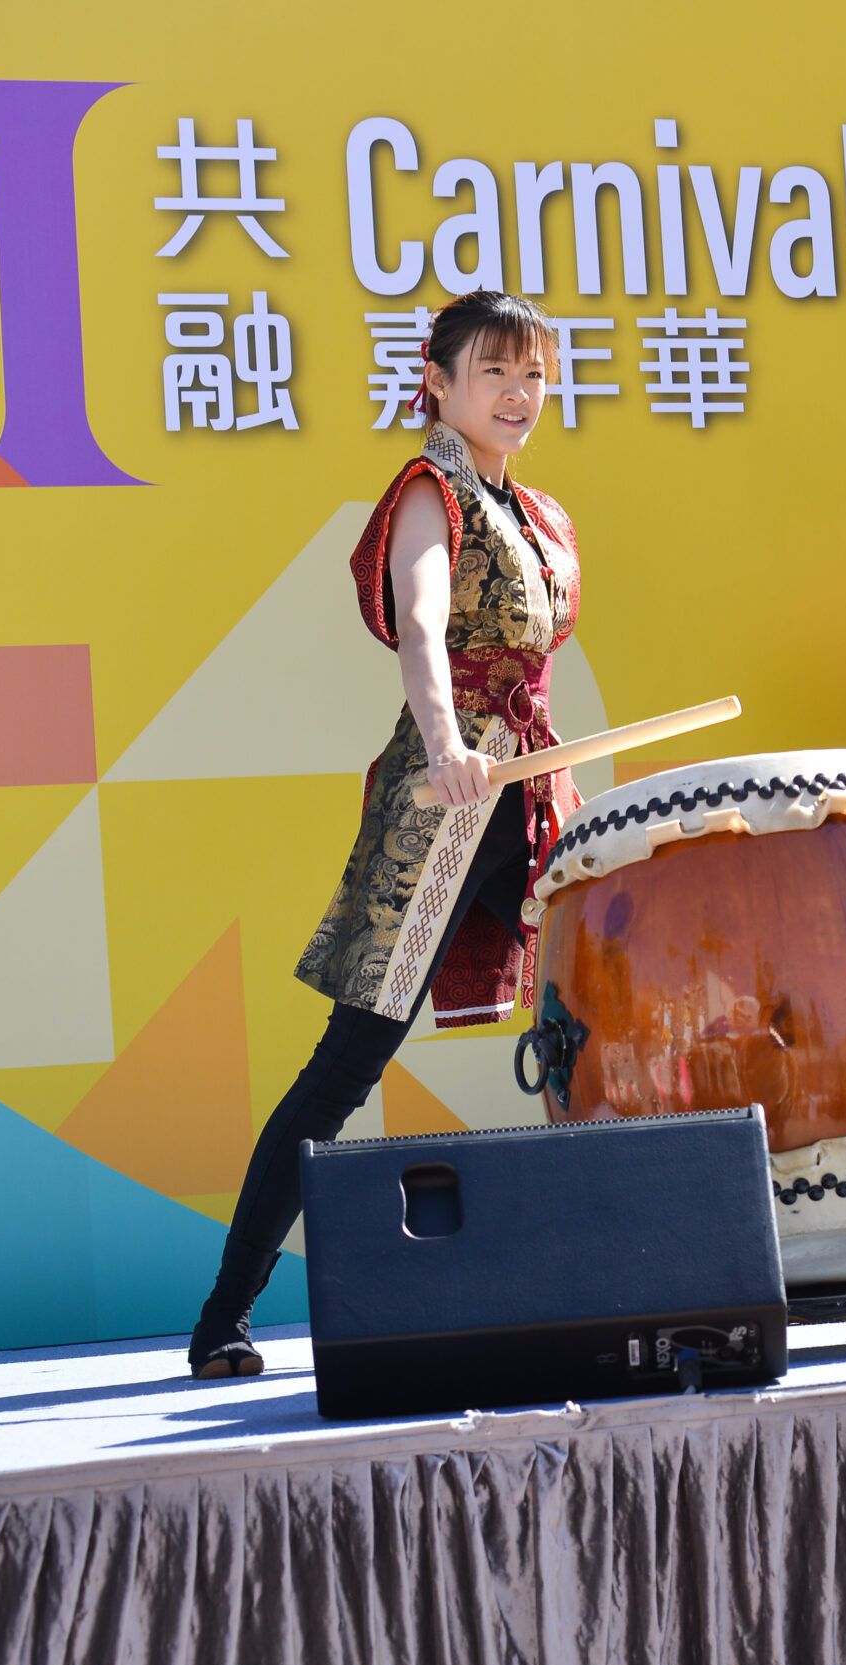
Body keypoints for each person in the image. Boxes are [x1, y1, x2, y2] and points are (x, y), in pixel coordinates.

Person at [187, 291, 583, 1378]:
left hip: (533, 790)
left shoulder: (537, 510)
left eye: (534, 375)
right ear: (440, 383)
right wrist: (449, 746)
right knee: (347, 1066)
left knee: (589, 1029)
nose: (517, 393)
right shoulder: (430, 491)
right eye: (494, 371)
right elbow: (420, 621)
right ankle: (226, 1314)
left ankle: (605, 1272)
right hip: (447, 798)